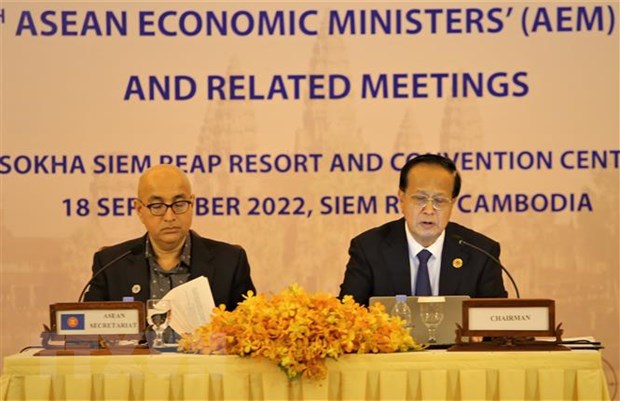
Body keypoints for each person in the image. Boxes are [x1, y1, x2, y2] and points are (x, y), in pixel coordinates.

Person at [339, 153, 507, 306]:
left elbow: (496, 319)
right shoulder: (369, 249)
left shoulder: (481, 253)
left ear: (452, 203)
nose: (429, 210)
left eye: (439, 201)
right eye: (420, 198)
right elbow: (348, 317)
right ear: (402, 198)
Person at [84, 164, 255, 313]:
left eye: (179, 204)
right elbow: (90, 330)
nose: (169, 216)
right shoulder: (110, 264)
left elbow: (250, 328)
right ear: (139, 210)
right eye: (157, 206)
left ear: (192, 204)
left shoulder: (230, 261)